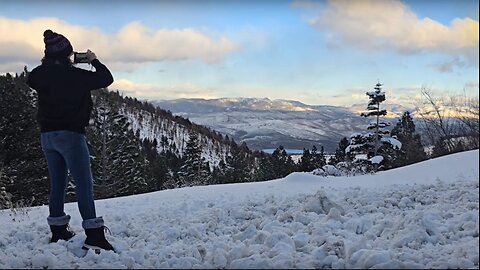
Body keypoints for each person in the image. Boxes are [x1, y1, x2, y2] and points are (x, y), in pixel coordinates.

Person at [27, 29, 115, 252]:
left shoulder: (40, 74)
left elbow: (32, 78)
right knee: (84, 184)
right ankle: (94, 235)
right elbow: (106, 78)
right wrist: (93, 60)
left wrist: (54, 65)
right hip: (71, 136)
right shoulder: (77, 76)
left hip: (47, 136)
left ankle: (58, 230)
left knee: (57, 184)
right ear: (68, 53)